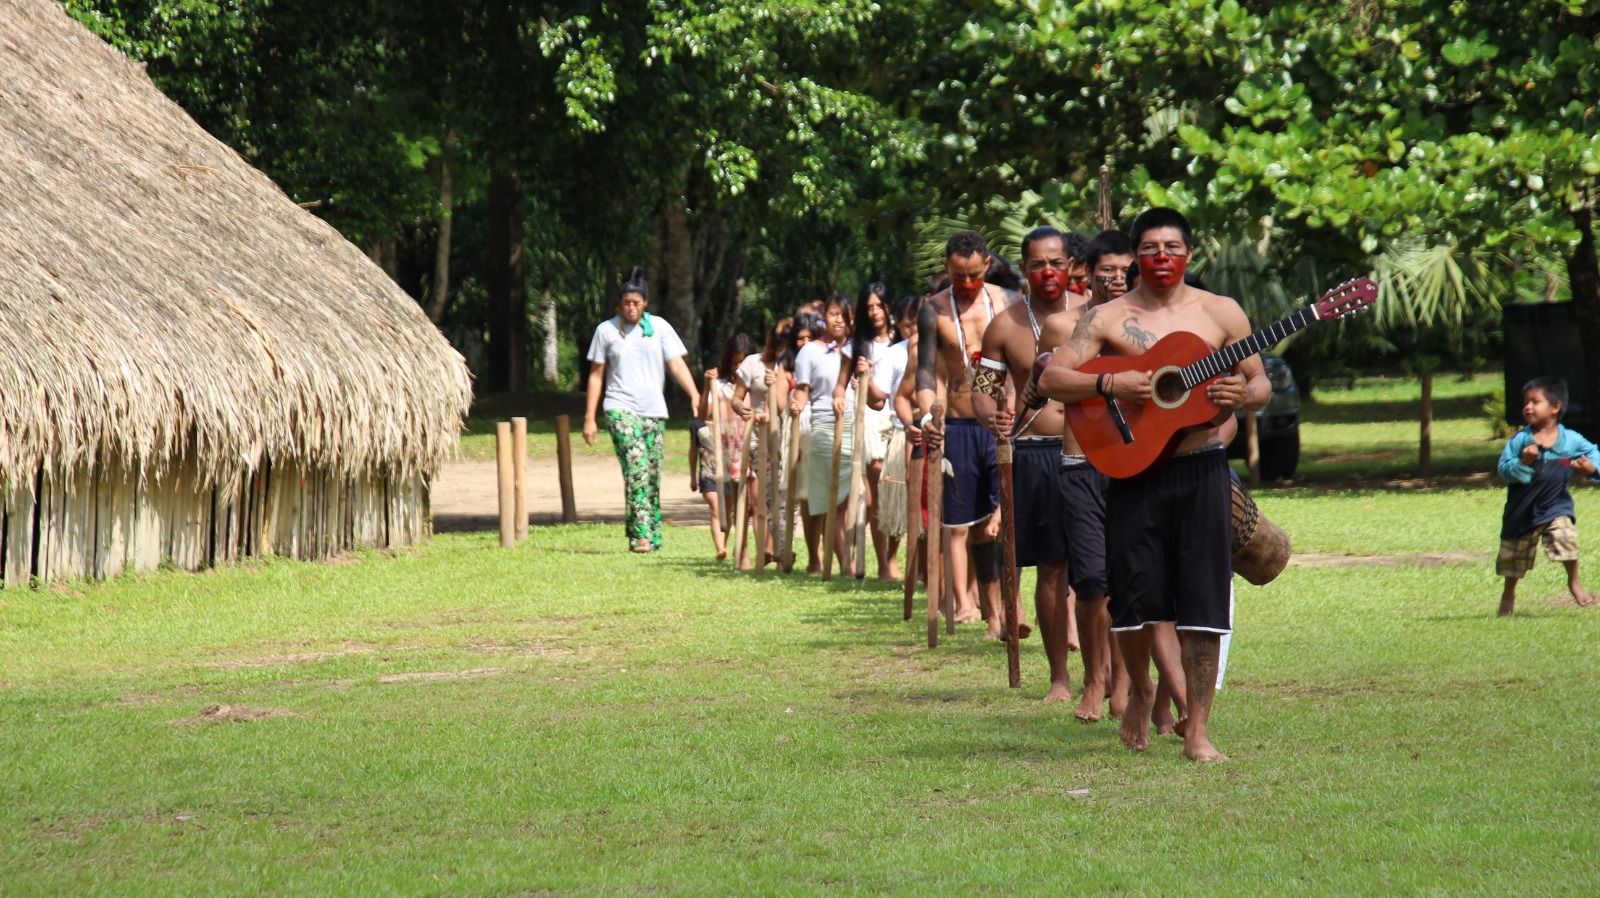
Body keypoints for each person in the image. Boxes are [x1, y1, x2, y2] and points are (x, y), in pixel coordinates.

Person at [1037, 208, 1269, 762]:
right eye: (1149, 248)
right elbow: (1052, 377)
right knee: (1135, 596)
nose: (1161, 257)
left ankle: (1198, 731)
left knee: (1203, 602)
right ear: (1135, 256)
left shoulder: (1222, 313)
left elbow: (1259, 382)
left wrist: (1245, 396)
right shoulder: (1108, 317)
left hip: (1202, 467)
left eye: (1171, 247)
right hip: (1134, 471)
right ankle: (1140, 689)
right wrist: (1117, 382)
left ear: (1189, 254)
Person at [972, 226, 1084, 696]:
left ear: (1071, 266)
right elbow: (979, 392)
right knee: (1052, 568)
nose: (1048, 272)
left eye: (1056, 262)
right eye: (1037, 264)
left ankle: (1109, 677)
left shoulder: (1094, 315)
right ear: (1024, 269)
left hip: (1088, 450)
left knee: (1100, 569)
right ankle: (1059, 678)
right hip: (1034, 453)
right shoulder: (1005, 326)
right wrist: (993, 421)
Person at [915, 231, 1010, 630]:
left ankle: (1007, 607)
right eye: (959, 278)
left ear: (986, 265)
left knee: (1004, 519)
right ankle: (988, 612)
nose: (968, 285)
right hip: (957, 424)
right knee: (969, 525)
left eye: (974, 276)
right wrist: (926, 421)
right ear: (946, 270)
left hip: (1002, 423)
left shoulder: (1008, 303)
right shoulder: (933, 310)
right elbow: (925, 372)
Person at [583, 267, 701, 553]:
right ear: (618, 305)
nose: (631, 307)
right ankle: (641, 537)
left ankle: (652, 531)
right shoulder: (606, 331)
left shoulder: (659, 328)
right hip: (619, 407)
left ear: (645, 303)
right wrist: (590, 417)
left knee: (651, 473)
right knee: (636, 467)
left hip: (653, 410)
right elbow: (597, 374)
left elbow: (675, 363)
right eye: (626, 303)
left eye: (636, 303)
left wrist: (695, 395)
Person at [1496, 376, 1599, 615]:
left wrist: (1591, 469)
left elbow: (1594, 453)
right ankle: (1508, 592)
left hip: (1556, 506)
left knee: (1566, 538)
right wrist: (1524, 461)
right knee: (1514, 559)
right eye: (1525, 402)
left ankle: (1574, 582)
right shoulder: (1520, 441)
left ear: (1555, 407)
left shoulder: (1570, 440)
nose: (1528, 407)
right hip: (1521, 512)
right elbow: (1504, 471)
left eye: (1535, 401)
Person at [833, 283, 898, 579]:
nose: (874, 312)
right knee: (876, 490)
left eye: (878, 305)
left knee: (897, 489)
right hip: (869, 420)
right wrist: (839, 398)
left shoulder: (903, 342)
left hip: (898, 419)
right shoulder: (856, 346)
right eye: (868, 307)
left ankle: (894, 558)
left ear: (887, 306)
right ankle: (883, 564)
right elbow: (839, 385)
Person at [790, 296, 855, 576]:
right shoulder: (809, 352)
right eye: (833, 313)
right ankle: (838, 564)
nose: (838, 319)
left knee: (848, 502)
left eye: (844, 315)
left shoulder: (858, 350)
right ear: (824, 317)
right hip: (824, 429)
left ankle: (845, 562)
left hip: (856, 428)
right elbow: (803, 390)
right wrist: (797, 402)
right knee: (825, 501)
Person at [733, 319, 792, 569]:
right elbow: (736, 399)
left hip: (789, 436)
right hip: (759, 438)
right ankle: (773, 550)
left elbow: (779, 403)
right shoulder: (752, 363)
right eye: (778, 342)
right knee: (767, 494)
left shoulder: (792, 366)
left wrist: (776, 383)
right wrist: (744, 411)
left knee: (786, 494)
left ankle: (782, 548)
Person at [697, 334, 757, 561]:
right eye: (735, 363)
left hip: (751, 447)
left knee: (750, 502)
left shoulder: (756, 385)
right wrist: (706, 387)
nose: (739, 368)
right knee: (730, 504)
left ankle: (743, 550)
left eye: (744, 362)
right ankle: (732, 546)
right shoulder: (720, 385)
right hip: (726, 452)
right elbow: (703, 415)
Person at [873, 295, 921, 569]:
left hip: (933, 431)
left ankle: (926, 569)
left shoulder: (938, 349)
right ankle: (889, 563)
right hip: (902, 434)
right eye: (906, 326)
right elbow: (879, 396)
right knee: (897, 504)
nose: (912, 331)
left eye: (916, 325)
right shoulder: (893, 353)